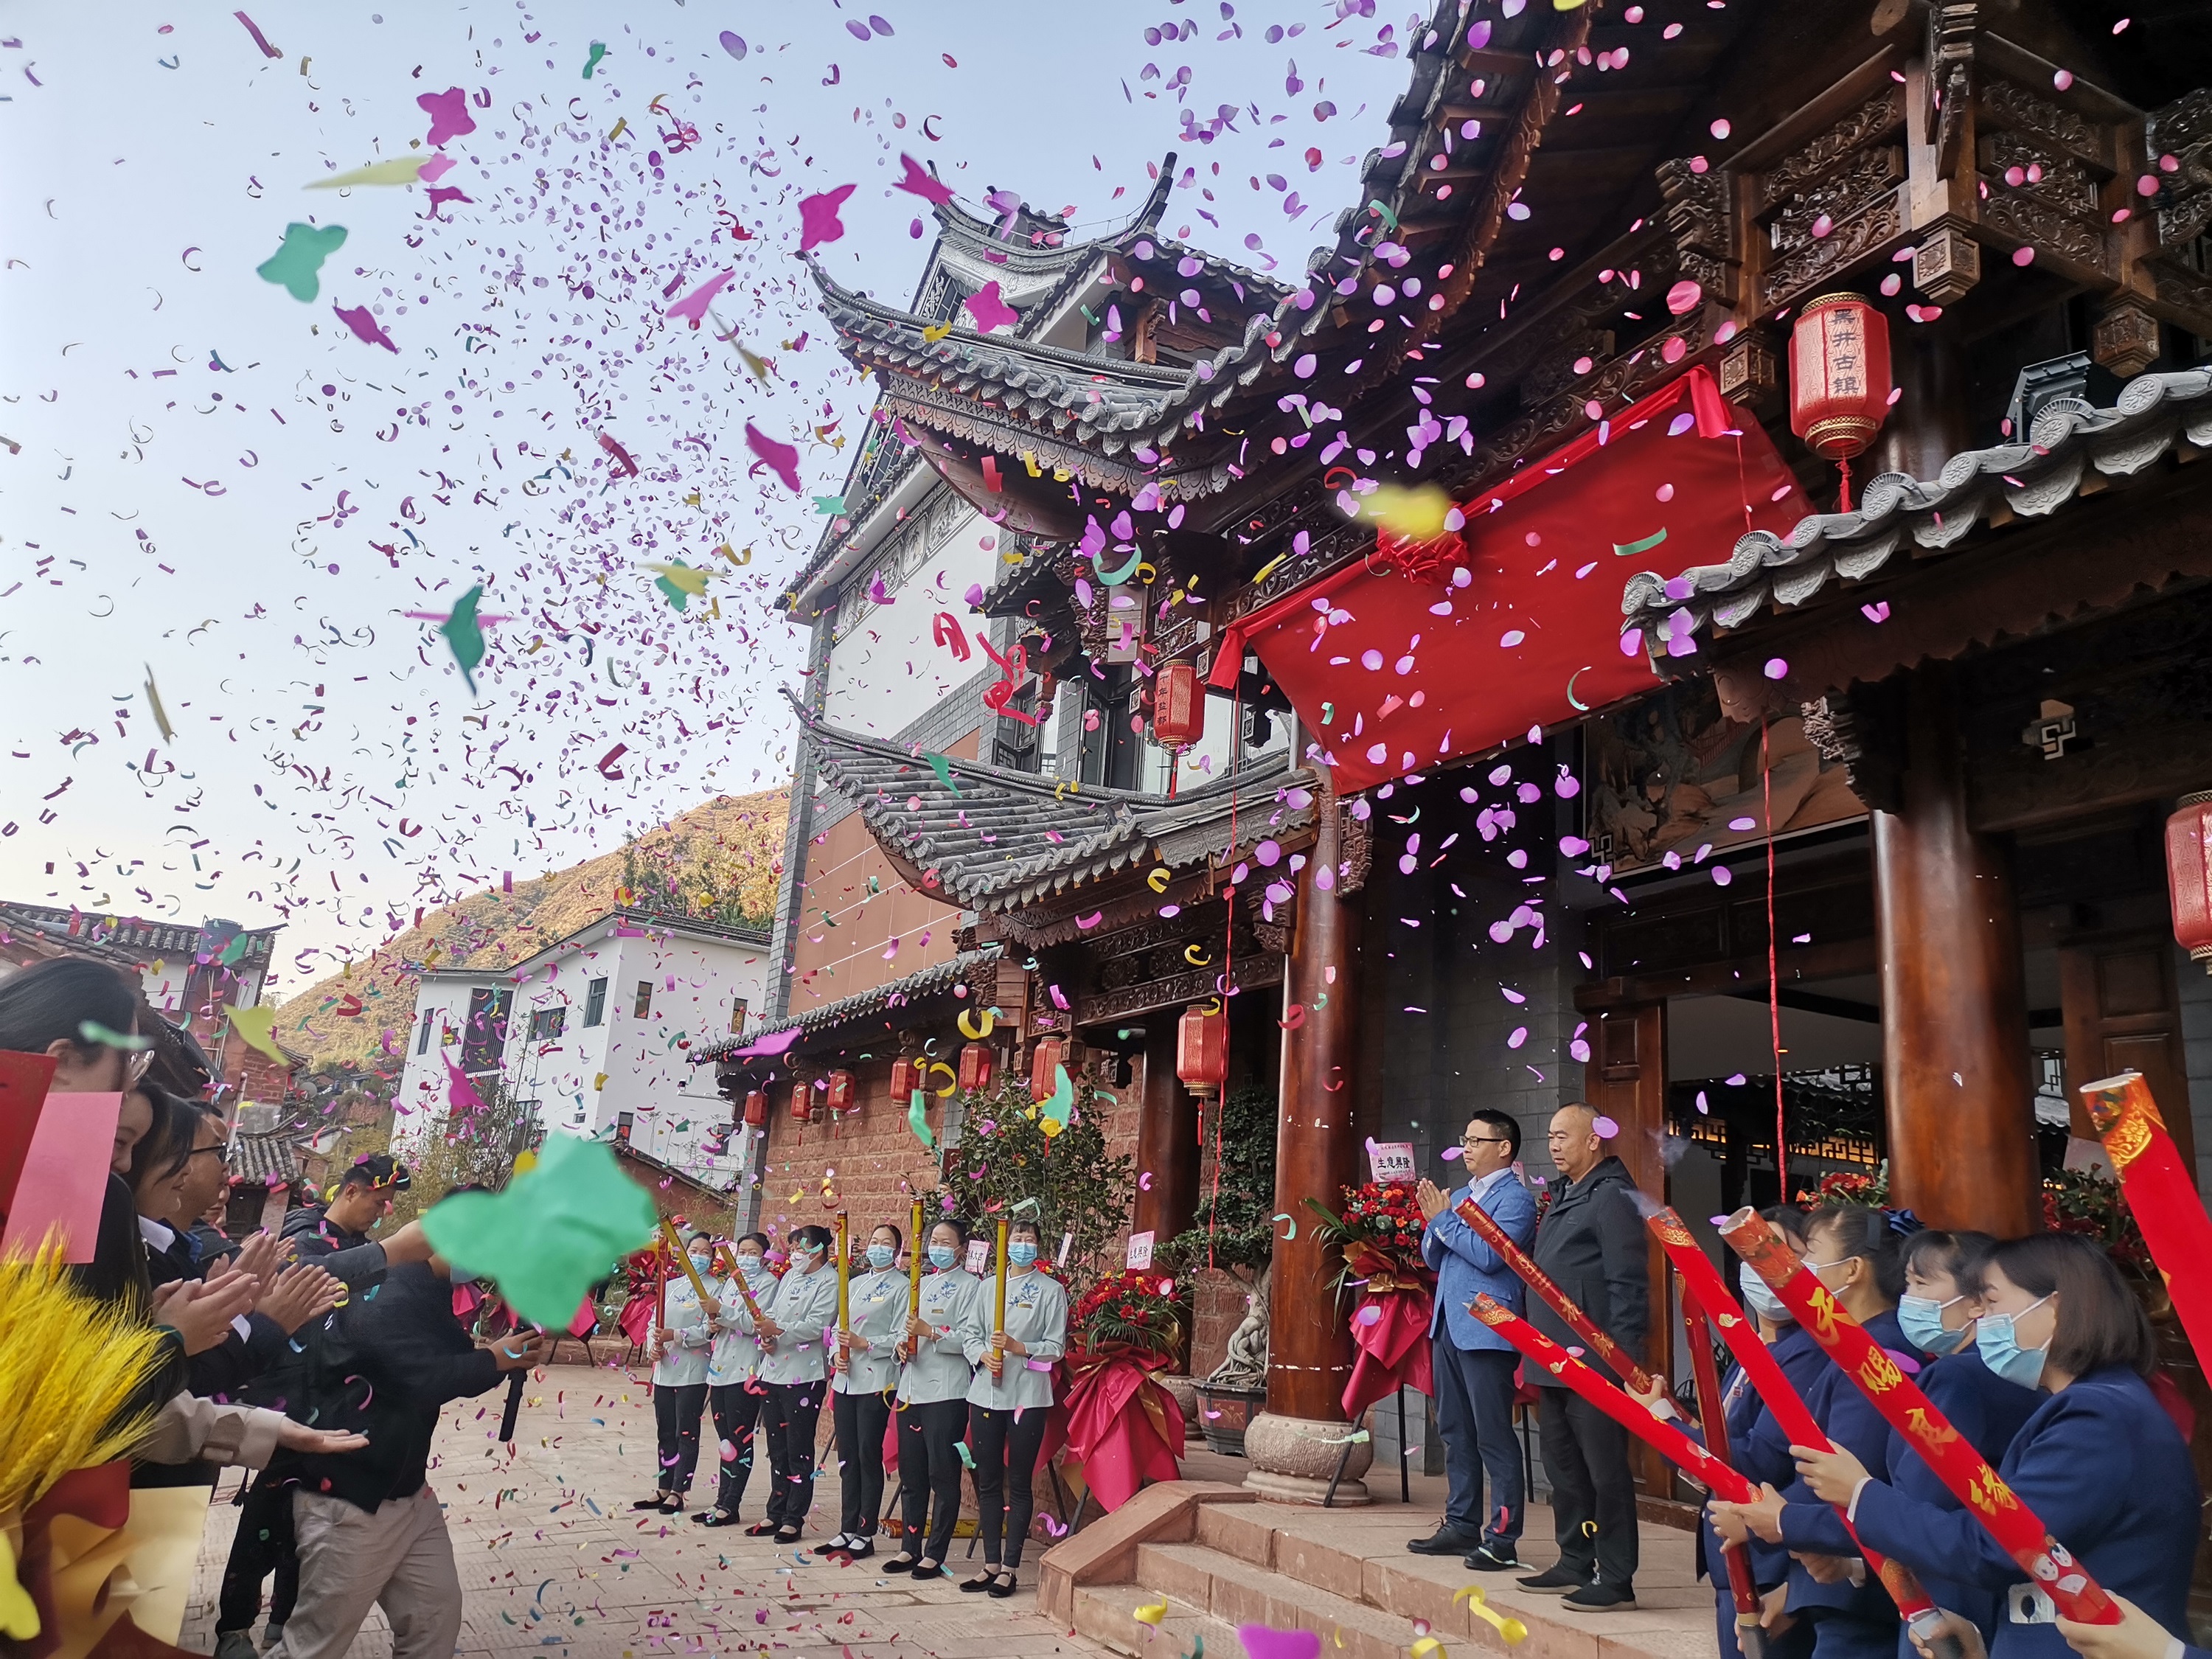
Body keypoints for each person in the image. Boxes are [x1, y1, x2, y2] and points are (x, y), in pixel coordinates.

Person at [1790, 1232, 2198, 1659]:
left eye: (1993, 1302)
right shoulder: (2100, 1404)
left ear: (2056, 1307)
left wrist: (1860, 1495)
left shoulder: (2098, 1416)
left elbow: (1997, 1545)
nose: (1982, 1317)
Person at [260, 1217, 550, 1659]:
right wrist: (494, 1361)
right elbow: (422, 1376)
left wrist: (504, 1356)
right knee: (314, 1646)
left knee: (435, 1618)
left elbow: (457, 1365)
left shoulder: (428, 1289)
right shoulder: (390, 1291)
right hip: (351, 1499)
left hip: (407, 1494)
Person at [1709, 1206, 1921, 1659]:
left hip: (1855, 1582)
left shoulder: (1878, 1353)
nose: (1797, 1270)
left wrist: (1769, 1518)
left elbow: (1849, 1475)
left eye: (1810, 1255)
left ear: (1852, 1270)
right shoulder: (1849, 1345)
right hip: (1833, 1569)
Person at [1517, 1102, 1649, 1610]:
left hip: (1594, 1364)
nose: (1553, 1145)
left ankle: (1616, 1577)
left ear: (1594, 1139)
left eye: (1563, 1136)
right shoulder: (1564, 1194)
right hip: (1551, 1360)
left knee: (1605, 1471)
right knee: (1564, 1468)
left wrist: (1626, 1364)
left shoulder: (1611, 1195)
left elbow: (1628, 1284)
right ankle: (1575, 1559)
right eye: (1549, 1136)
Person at [1411, 1110, 1537, 1571]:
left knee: (1492, 1434)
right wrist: (1438, 1223)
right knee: (1453, 1430)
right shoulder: (1460, 1195)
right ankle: (1461, 1524)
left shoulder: (1517, 1199)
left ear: (1503, 1147)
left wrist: (1444, 1222)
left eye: (1475, 1140)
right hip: (1447, 1323)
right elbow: (1432, 1255)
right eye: (1464, 1139)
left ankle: (1502, 1538)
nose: (1466, 1148)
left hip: (1488, 1327)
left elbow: (1488, 1255)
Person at [962, 1217, 1069, 1598]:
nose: (1022, 1243)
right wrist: (981, 1355)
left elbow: (1055, 1349)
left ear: (1038, 1246)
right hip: (985, 1395)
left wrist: (1020, 1349)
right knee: (988, 1480)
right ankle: (990, 1563)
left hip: (1028, 1396)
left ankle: (1010, 1568)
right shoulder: (988, 1287)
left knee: (1019, 1482)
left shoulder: (1050, 1291)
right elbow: (970, 1335)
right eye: (1017, 1237)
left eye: (1029, 1238)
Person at [888, 1217, 980, 1582]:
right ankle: (910, 1547)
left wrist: (932, 1332)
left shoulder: (972, 1287)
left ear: (960, 1248)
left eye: (946, 1241)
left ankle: (935, 1552)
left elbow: (972, 1338)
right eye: (933, 1241)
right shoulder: (918, 1284)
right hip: (911, 1389)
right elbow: (901, 1328)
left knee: (942, 1474)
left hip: (947, 1391)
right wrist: (901, 1345)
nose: (937, 1247)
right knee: (912, 1476)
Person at [748, 1222, 839, 1542]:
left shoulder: (830, 1282)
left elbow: (817, 1325)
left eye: (802, 1248)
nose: (796, 1254)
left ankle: (794, 1516)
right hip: (773, 1371)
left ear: (819, 1250)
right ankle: (776, 1510)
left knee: (798, 1447)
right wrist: (767, 1337)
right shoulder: (790, 1276)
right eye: (793, 1248)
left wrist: (778, 1330)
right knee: (777, 1447)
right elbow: (771, 1313)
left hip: (805, 1375)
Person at [827, 1221, 905, 1560]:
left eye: (886, 1242)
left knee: (866, 1453)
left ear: (897, 1250)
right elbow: (835, 1329)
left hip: (877, 1380)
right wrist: (836, 1355)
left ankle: (865, 1530)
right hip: (846, 1379)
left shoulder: (902, 1287)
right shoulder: (854, 1283)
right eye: (874, 1240)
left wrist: (865, 1344)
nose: (878, 1247)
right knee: (847, 1456)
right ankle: (846, 1527)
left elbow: (901, 1335)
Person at [634, 1230, 718, 1514]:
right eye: (694, 1250)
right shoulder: (670, 1286)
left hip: (693, 1372)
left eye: (705, 1252)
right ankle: (664, 1485)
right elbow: (653, 1324)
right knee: (665, 1429)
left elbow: (710, 1330)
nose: (699, 1256)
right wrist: (653, 1347)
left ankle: (680, 1490)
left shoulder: (714, 1290)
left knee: (686, 1430)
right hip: (666, 1368)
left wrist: (677, 1335)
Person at [695, 1233, 773, 1527]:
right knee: (725, 1438)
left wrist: (722, 1312)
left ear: (764, 1256)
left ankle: (732, 1503)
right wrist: (713, 1322)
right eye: (742, 1251)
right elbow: (718, 1321)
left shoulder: (768, 1284)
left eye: (753, 1252)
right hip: (720, 1369)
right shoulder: (731, 1280)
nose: (746, 1256)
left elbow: (756, 1323)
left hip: (746, 1372)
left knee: (740, 1438)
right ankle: (721, 1500)